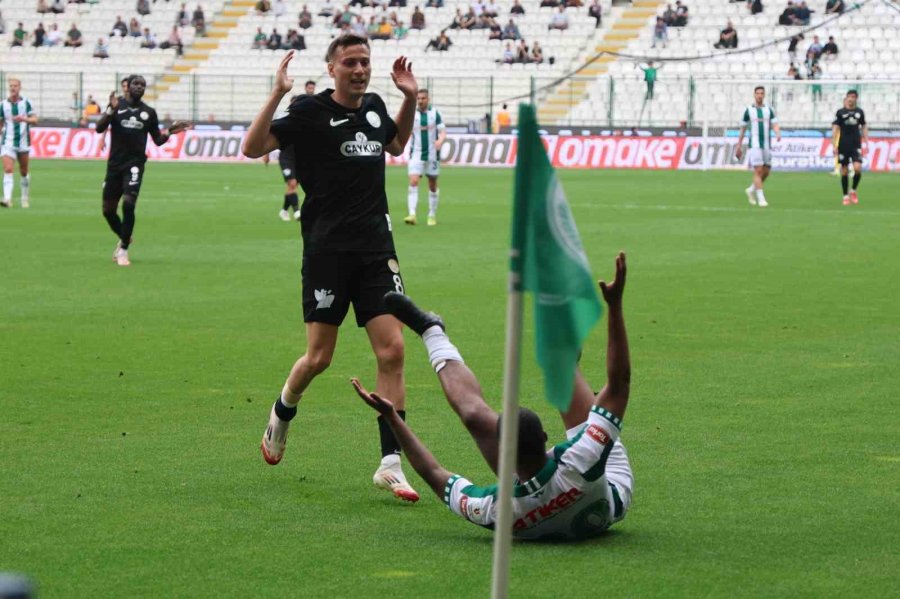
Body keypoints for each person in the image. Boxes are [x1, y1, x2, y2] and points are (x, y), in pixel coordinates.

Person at [240, 38, 422, 502]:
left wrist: (407, 99)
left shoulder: (375, 107)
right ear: (332, 68)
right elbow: (252, 147)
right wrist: (277, 93)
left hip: (377, 251)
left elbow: (397, 144)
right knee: (319, 358)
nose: (360, 69)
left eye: (365, 62)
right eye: (350, 63)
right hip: (327, 253)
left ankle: (390, 463)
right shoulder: (308, 111)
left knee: (393, 351)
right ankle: (283, 410)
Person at [352, 251, 634, 541]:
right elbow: (619, 384)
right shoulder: (583, 456)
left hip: (557, 483)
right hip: (610, 481)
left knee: (475, 416)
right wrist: (614, 306)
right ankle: (433, 328)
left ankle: (431, 332)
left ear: (503, 451)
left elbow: (434, 473)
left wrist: (392, 417)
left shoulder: (497, 509)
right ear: (546, 439)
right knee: (558, 366)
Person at [95, 75, 191, 266]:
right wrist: (110, 111)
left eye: (143, 85)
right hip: (114, 165)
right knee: (108, 211)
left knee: (129, 204)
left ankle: (123, 250)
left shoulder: (149, 112)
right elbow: (99, 128)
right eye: (136, 84)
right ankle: (124, 236)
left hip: (135, 165)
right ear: (128, 87)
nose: (139, 87)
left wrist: (169, 132)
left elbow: (157, 140)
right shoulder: (117, 106)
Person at [404, 89, 446, 227]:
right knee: (414, 181)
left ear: (428, 99)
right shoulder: (411, 114)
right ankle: (412, 214)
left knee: (432, 184)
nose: (420, 101)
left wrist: (440, 141)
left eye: (423, 98)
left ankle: (432, 215)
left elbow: (442, 132)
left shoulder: (435, 114)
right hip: (416, 154)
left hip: (432, 155)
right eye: (418, 98)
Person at [735, 86, 781, 208]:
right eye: (757, 93)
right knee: (758, 170)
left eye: (761, 93)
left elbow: (775, 123)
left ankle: (751, 189)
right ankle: (761, 199)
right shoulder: (749, 110)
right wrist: (739, 145)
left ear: (764, 95)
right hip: (754, 145)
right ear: (754, 95)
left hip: (766, 144)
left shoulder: (769, 110)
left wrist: (777, 133)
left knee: (766, 171)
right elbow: (743, 128)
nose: (759, 95)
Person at [0, 79, 38, 209]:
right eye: (11, 86)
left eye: (15, 86)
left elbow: (35, 120)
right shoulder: (3, 105)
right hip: (8, 142)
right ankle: (7, 199)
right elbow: (0, 123)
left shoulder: (26, 103)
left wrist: (24, 119)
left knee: (24, 171)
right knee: (8, 169)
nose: (13, 88)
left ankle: (24, 198)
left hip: (23, 142)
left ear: (20, 87)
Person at [832, 90, 867, 206]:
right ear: (846, 98)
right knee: (844, 170)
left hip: (856, 144)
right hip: (843, 145)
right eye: (849, 97)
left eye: (853, 97)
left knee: (857, 168)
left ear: (856, 99)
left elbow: (864, 125)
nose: (851, 99)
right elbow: (835, 128)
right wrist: (834, 144)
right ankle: (845, 196)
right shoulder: (840, 112)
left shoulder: (859, 112)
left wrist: (866, 140)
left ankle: (853, 190)